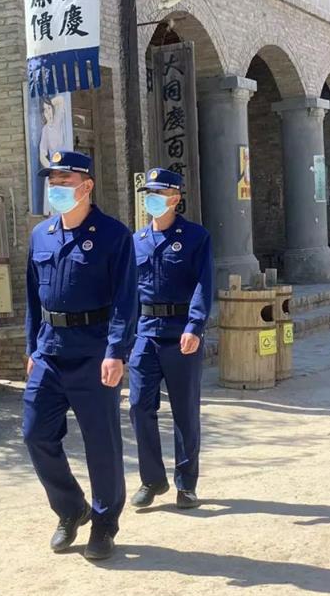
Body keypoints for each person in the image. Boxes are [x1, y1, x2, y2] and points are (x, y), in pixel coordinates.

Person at [23, 150, 137, 560]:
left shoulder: (113, 235)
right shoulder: (41, 235)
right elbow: (32, 300)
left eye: (64, 181)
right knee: (35, 433)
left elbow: (126, 300)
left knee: (101, 443)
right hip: (49, 352)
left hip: (94, 352)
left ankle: (104, 524)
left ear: (86, 186)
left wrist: (116, 352)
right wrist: (31, 348)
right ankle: (71, 508)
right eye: (52, 182)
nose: (55, 188)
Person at [128, 168, 213, 510]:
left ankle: (186, 484)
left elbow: (204, 284)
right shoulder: (136, 241)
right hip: (145, 333)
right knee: (138, 406)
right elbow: (128, 293)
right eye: (148, 194)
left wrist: (195, 325)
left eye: (159, 194)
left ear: (175, 198)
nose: (151, 199)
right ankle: (152, 479)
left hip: (181, 333)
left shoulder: (195, 237)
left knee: (184, 411)